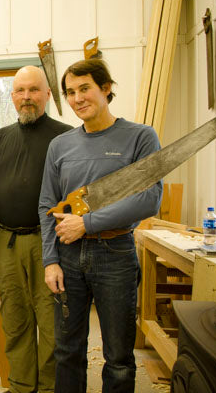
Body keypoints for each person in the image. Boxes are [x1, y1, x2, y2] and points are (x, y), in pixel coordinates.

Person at [38, 59, 162, 392]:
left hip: (116, 255)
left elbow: (149, 200)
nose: (77, 98)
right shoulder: (60, 145)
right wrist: (50, 261)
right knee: (67, 352)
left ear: (106, 88)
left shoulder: (140, 137)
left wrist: (87, 223)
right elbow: (47, 205)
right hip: (67, 256)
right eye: (70, 92)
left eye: (85, 89)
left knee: (119, 358)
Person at [0, 66, 72, 393]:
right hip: (6, 239)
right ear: (13, 96)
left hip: (48, 243)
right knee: (15, 320)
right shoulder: (1, 137)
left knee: (50, 323)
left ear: (47, 94)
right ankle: (20, 385)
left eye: (34, 90)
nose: (27, 97)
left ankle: (48, 388)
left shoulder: (66, 136)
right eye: (20, 91)